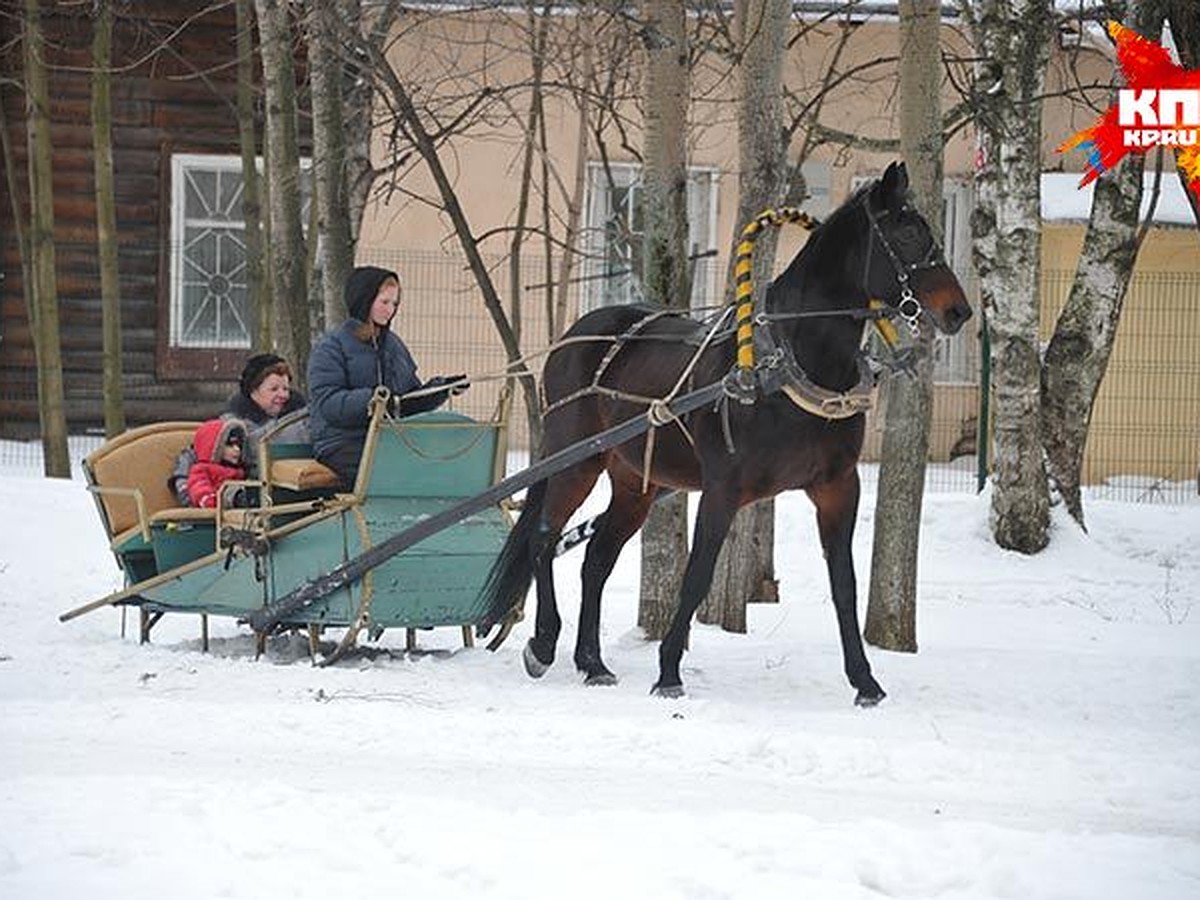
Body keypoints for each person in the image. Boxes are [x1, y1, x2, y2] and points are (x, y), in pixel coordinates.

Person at [307, 265, 467, 489]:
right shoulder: (331, 347)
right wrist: (371, 400)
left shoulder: (394, 345)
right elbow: (328, 404)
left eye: (394, 303)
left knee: (438, 466)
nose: (390, 310)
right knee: (395, 472)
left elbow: (409, 401)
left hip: (388, 439)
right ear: (364, 300)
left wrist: (440, 389)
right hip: (343, 442)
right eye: (384, 302)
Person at [169, 352, 307, 506]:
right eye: (274, 389)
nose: (283, 395)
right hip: (255, 497)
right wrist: (188, 490)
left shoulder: (301, 419)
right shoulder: (232, 426)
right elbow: (199, 455)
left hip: (303, 489)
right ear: (254, 391)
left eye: (286, 389)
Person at [185, 418, 251, 510]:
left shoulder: (241, 472)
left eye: (239, 445)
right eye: (230, 445)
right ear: (214, 446)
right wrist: (209, 500)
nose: (237, 449)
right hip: (213, 516)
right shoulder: (201, 469)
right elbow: (198, 487)